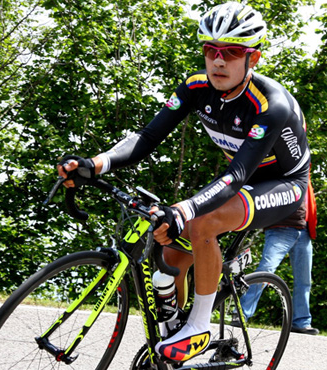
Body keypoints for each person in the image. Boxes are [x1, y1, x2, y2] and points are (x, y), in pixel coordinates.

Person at [57, 2, 311, 363]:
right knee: (171, 254)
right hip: (238, 180)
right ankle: (174, 330)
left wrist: (183, 209)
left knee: (201, 222)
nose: (219, 61)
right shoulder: (195, 87)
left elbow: (236, 176)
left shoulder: (271, 104)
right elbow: (146, 138)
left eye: (232, 52)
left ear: (252, 59)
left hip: (283, 185)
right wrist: (94, 164)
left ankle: (199, 326)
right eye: (211, 51)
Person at [232, 178, 319, 335]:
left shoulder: (306, 172)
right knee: (265, 271)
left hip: (304, 232)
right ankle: (241, 314)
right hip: (280, 229)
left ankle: (301, 322)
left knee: (304, 280)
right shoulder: (283, 169)